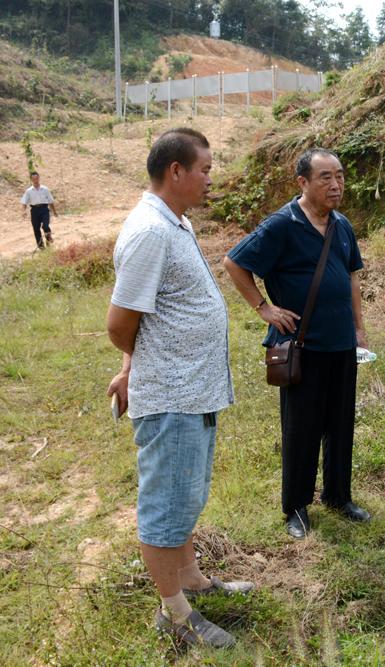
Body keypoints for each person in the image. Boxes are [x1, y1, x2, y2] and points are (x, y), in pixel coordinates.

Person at [105, 128, 251, 649]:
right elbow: (121, 322)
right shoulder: (151, 231)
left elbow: (150, 313)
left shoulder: (175, 222)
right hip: (172, 395)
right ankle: (174, 613)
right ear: (176, 172)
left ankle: (190, 577)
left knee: (186, 495)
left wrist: (131, 365)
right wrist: (138, 364)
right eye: (205, 170)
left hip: (192, 391)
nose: (211, 179)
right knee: (165, 507)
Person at [223, 149, 369, 540]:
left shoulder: (342, 225)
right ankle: (296, 507)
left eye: (339, 175)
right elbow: (234, 263)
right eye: (325, 177)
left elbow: (352, 277)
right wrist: (264, 308)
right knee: (301, 428)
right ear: (302, 182)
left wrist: (358, 328)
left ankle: (338, 496)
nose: (336, 184)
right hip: (301, 346)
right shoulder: (282, 225)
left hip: (340, 341)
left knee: (340, 423)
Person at [21, 171, 58, 249]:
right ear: (31, 180)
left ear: (39, 178)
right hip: (34, 211)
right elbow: (24, 202)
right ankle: (41, 247)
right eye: (34, 179)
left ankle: (48, 239)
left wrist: (54, 211)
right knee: (36, 229)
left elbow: (51, 201)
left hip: (44, 209)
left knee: (45, 225)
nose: (36, 180)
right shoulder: (29, 191)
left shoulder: (45, 189)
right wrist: (23, 211)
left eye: (37, 178)